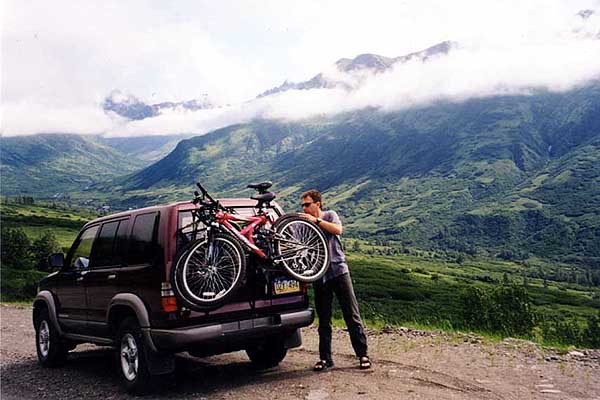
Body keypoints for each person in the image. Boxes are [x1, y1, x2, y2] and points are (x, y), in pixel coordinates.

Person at [299, 189, 371, 371]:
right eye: (303, 205)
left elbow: (338, 230)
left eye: (307, 204)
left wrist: (316, 221)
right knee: (324, 319)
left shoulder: (329, 215)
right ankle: (325, 359)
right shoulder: (303, 224)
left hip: (339, 271)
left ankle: (362, 355)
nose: (304, 208)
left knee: (352, 315)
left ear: (318, 204)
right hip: (319, 275)